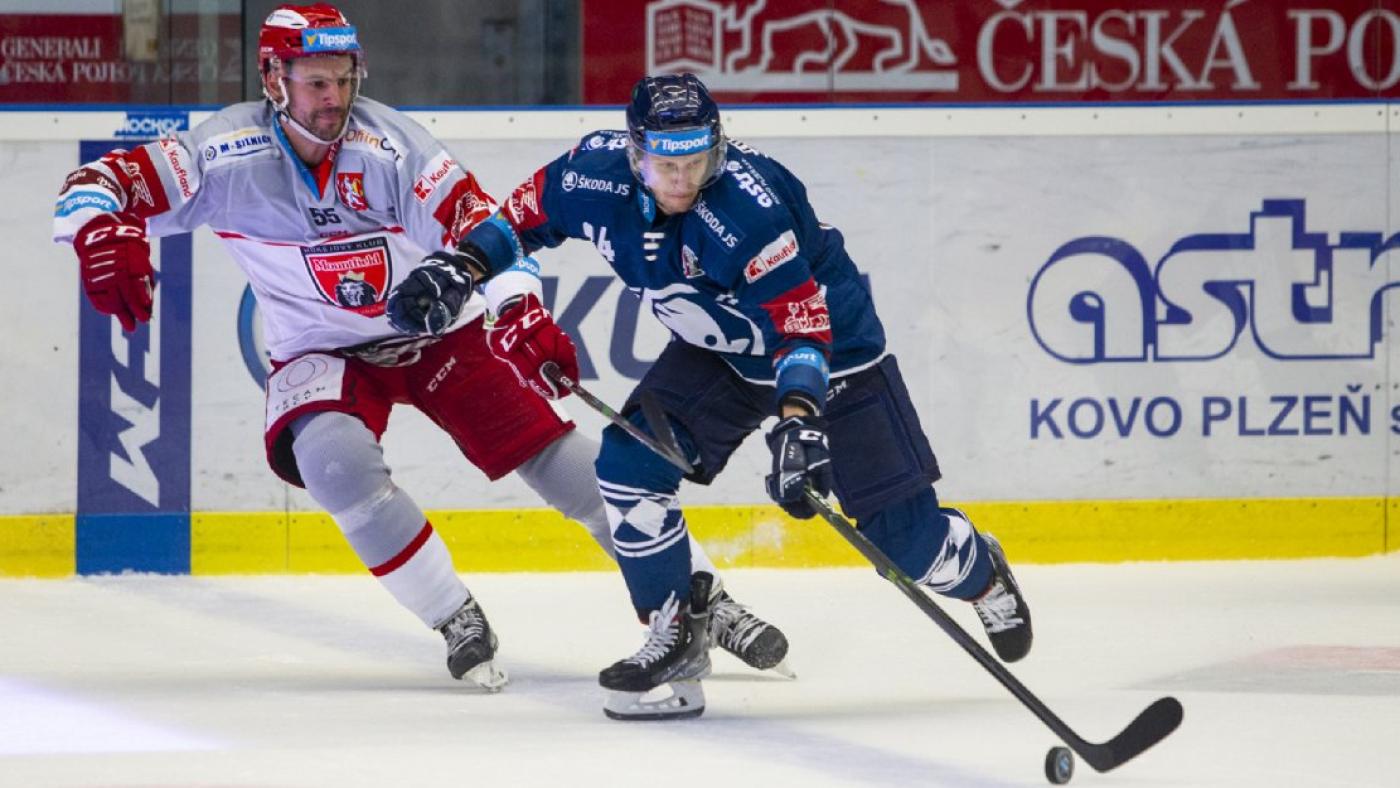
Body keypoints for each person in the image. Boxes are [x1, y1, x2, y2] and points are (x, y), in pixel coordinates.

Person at [51, 7, 788, 692]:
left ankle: (703, 598)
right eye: (315, 82)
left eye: (344, 79)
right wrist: (97, 229)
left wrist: (518, 308)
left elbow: (486, 227)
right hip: (321, 348)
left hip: (441, 330)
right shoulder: (222, 154)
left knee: (568, 469)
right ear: (273, 80)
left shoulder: (393, 146)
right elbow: (93, 184)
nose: (334, 98)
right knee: (334, 465)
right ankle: (452, 614)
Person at [385, 73, 1034, 719]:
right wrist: (463, 266)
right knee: (627, 466)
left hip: (833, 360)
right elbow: (515, 222)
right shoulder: (591, 173)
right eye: (665, 165)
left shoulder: (748, 211)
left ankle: (982, 571)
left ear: (716, 151)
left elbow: (801, 328)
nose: (681, 181)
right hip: (719, 356)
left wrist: (800, 420)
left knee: (907, 544)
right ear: (635, 154)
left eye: (696, 163)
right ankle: (676, 636)